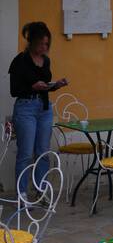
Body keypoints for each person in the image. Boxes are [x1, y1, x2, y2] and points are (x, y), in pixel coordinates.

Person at [8, 22, 69, 198]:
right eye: (41, 43)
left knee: (43, 151)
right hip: (26, 108)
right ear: (32, 42)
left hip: (44, 108)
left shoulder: (46, 60)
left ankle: (41, 190)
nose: (44, 47)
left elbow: (45, 86)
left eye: (47, 44)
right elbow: (14, 91)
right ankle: (22, 194)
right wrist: (32, 87)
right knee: (26, 153)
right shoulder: (20, 61)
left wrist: (56, 85)